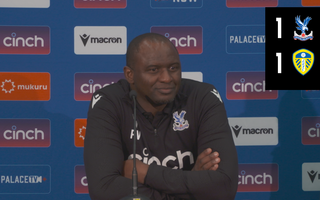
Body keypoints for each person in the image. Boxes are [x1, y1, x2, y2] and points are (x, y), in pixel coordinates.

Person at [84, 33, 238, 200]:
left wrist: (146, 173)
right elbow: (105, 190)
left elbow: (224, 187)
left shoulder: (202, 98)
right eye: (153, 70)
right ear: (130, 75)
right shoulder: (109, 103)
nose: (167, 78)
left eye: (173, 68)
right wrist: (193, 183)